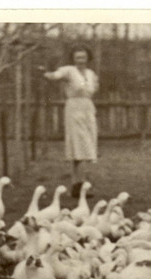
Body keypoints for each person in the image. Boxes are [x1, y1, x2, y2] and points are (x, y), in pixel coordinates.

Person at [43, 46, 99, 197]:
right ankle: (80, 186)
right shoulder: (69, 71)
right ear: (73, 59)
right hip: (74, 109)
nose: (80, 60)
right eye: (77, 57)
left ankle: (76, 184)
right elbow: (55, 75)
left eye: (83, 57)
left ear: (88, 58)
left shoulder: (91, 74)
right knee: (79, 146)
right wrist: (47, 72)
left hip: (87, 108)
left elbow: (93, 89)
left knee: (84, 146)